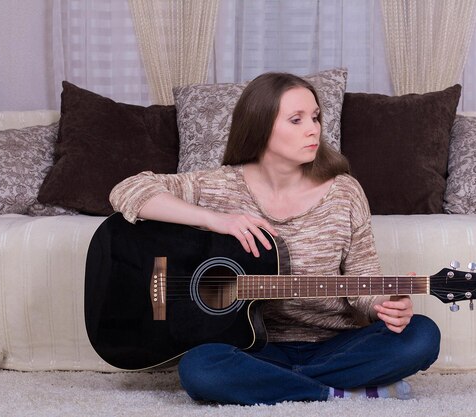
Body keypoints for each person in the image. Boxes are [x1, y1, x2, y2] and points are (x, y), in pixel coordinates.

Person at [109, 72, 440, 405]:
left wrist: (381, 304)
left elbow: (363, 279)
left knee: (421, 336)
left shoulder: (344, 192)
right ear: (260, 126)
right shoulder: (219, 186)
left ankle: (282, 386)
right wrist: (215, 220)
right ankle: (336, 391)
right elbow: (127, 191)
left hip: (336, 345)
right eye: (296, 120)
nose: (314, 129)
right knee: (200, 367)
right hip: (253, 348)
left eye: (315, 117)